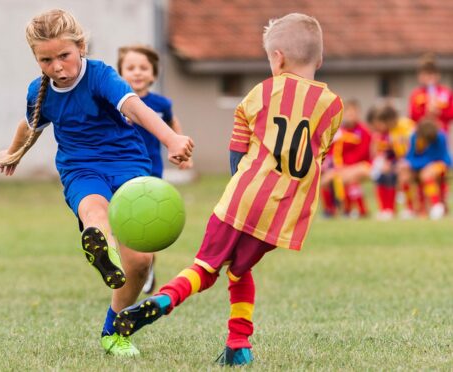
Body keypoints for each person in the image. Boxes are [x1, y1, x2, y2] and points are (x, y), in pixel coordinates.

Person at [114, 13, 343, 366]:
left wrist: (240, 181)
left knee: (205, 267)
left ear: (277, 58)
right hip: (284, 212)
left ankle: (163, 299)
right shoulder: (333, 106)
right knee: (239, 271)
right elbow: (320, 155)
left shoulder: (263, 91)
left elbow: (238, 149)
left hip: (244, 199)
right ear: (320, 60)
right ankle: (239, 344)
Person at [0, 9, 194, 357]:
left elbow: (134, 107)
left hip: (128, 165)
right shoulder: (39, 91)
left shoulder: (101, 75)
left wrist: (171, 139)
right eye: (46, 60)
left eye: (64, 56)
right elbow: (30, 125)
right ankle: (99, 245)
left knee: (142, 261)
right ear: (35, 59)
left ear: (81, 47)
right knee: (94, 208)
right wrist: (13, 154)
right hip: (80, 168)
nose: (57, 66)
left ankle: (114, 329)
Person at [117, 44, 193, 294]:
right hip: (120, 170)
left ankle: (147, 265)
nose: (137, 73)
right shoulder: (115, 102)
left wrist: (181, 150)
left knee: (148, 224)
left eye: (143, 68)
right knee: (123, 223)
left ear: (153, 74)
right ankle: (127, 264)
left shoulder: (161, 103)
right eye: (130, 68)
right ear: (120, 73)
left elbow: (172, 122)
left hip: (151, 174)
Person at [320, 99, 371, 217]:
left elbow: (362, 154)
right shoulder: (338, 131)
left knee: (346, 178)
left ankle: (358, 210)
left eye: (353, 113)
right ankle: (330, 210)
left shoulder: (364, 132)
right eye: (348, 113)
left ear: (358, 114)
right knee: (326, 179)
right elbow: (331, 151)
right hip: (341, 167)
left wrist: (344, 165)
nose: (350, 116)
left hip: (362, 165)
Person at [398, 118, 451, 219]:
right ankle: (410, 209)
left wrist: (414, 163)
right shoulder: (414, 137)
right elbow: (410, 156)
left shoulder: (440, 137)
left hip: (440, 163)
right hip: (420, 165)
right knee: (404, 175)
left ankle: (436, 206)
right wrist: (406, 163)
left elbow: (435, 157)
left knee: (426, 174)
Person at [369, 104, 414, 219]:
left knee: (402, 173)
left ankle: (410, 208)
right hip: (399, 161)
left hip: (412, 160)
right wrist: (387, 162)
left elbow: (414, 146)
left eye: (384, 122)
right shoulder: (391, 131)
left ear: (389, 120)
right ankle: (387, 209)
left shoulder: (406, 125)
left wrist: (405, 161)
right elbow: (393, 150)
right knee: (382, 175)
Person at [408, 53, 453, 134]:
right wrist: (426, 112)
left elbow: (451, 113)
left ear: (438, 75)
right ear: (420, 76)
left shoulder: (445, 93)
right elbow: (412, 115)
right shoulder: (416, 94)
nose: (429, 77)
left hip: (441, 133)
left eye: (431, 74)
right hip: (422, 134)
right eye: (425, 74)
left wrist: (440, 112)